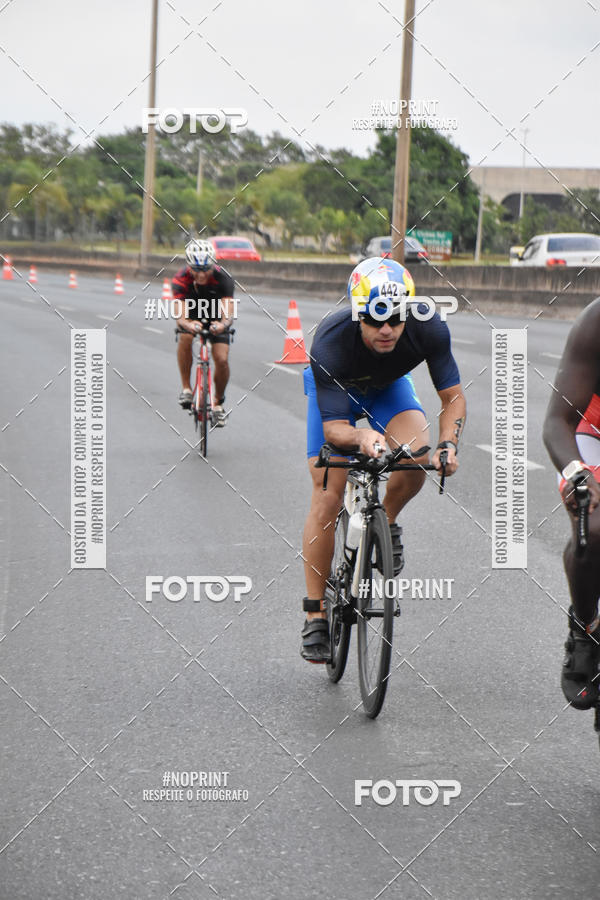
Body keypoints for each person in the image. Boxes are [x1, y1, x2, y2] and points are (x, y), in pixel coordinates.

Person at [300, 257, 466, 663]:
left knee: (416, 459)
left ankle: (386, 520)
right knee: (327, 493)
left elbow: (453, 399)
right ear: (359, 316)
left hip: (389, 389)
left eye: (395, 318)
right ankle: (315, 613)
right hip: (337, 397)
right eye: (375, 321)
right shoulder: (330, 341)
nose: (387, 329)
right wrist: (361, 436)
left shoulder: (428, 326)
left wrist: (449, 444)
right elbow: (337, 429)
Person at [543, 297, 600, 709]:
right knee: (593, 525)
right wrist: (576, 473)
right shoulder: (595, 320)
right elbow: (556, 421)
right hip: (592, 434)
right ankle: (584, 627)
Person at [172, 239, 235, 426]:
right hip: (192, 313)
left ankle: (218, 402)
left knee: (221, 359)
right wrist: (188, 325)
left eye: (205, 269)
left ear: (213, 265)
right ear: (189, 266)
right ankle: (186, 389)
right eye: (196, 270)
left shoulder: (224, 278)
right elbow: (180, 315)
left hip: (216, 315)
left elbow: (228, 312)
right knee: (184, 335)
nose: (201, 275)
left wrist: (222, 325)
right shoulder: (180, 279)